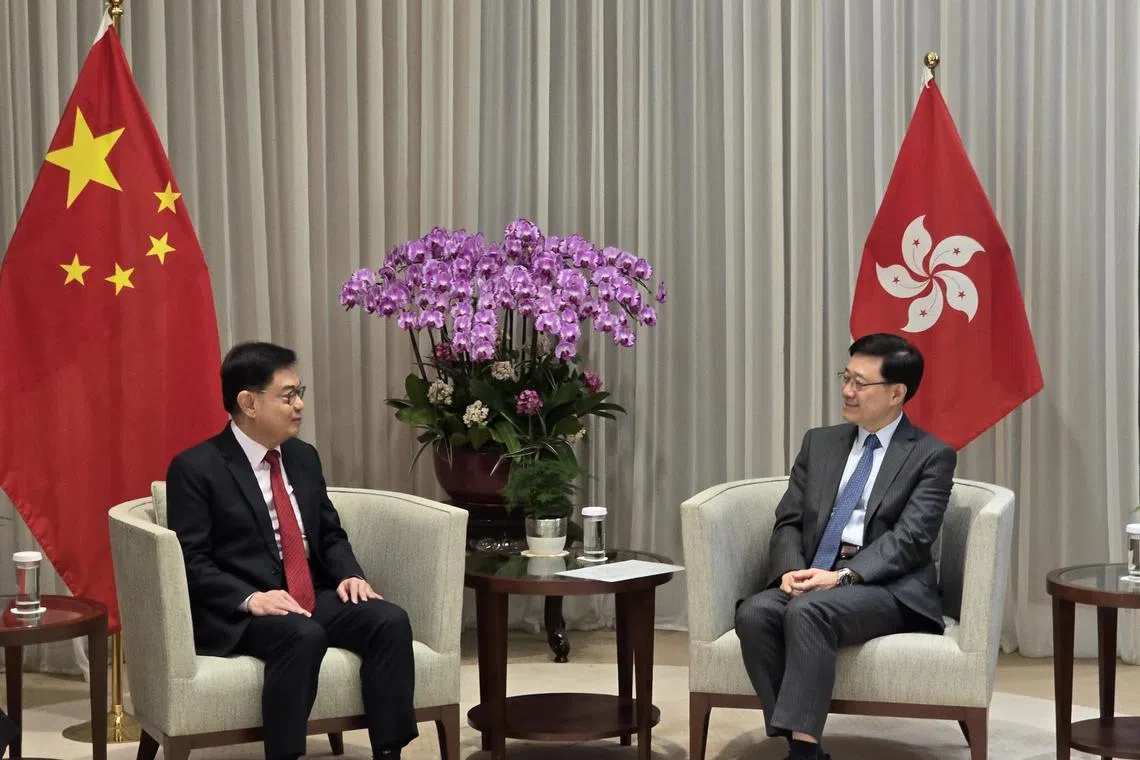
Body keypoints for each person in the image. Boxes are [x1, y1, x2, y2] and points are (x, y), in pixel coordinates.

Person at [166, 341, 417, 760]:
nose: (299, 405)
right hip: (244, 611)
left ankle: (389, 752)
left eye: (300, 393)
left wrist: (350, 574)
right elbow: (191, 561)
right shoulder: (196, 468)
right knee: (303, 635)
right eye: (287, 396)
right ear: (248, 402)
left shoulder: (302, 457)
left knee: (389, 620)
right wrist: (251, 598)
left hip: (306, 594)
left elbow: (330, 534)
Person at [734, 333, 956, 760]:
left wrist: (843, 577)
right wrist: (789, 570)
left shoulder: (931, 455)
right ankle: (804, 747)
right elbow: (789, 520)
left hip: (884, 586)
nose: (847, 391)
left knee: (808, 611)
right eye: (846, 377)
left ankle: (802, 755)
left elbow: (911, 539)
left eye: (860, 383)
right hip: (816, 569)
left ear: (897, 393)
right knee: (755, 613)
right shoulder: (820, 443)